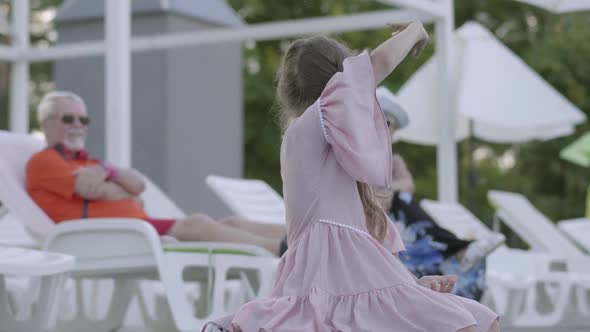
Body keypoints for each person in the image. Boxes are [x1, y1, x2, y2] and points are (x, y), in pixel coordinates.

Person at [205, 22, 499, 332]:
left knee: (478, 319)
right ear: (339, 83)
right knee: (466, 323)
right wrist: (415, 31)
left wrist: (412, 285)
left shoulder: (335, 150)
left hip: (349, 275)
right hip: (324, 275)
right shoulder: (307, 126)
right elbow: (377, 64)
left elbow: (365, 263)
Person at [26, 91, 286, 255]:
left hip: (133, 231)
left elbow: (137, 188)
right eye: (68, 119)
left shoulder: (88, 161)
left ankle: (301, 235)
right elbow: (87, 188)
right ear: (46, 125)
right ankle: (280, 250)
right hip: (108, 238)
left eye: (83, 120)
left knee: (231, 223)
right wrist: (112, 184)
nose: (78, 126)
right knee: (197, 224)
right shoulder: (43, 161)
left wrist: (105, 172)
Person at [375, 94, 505, 300]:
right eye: (388, 122)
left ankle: (459, 250)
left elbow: (408, 185)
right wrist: (384, 192)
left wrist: (386, 191)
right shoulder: (363, 154)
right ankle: (458, 249)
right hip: (379, 223)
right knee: (403, 200)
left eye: (393, 128)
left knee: (403, 199)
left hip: (395, 224)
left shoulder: (393, 158)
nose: (390, 131)